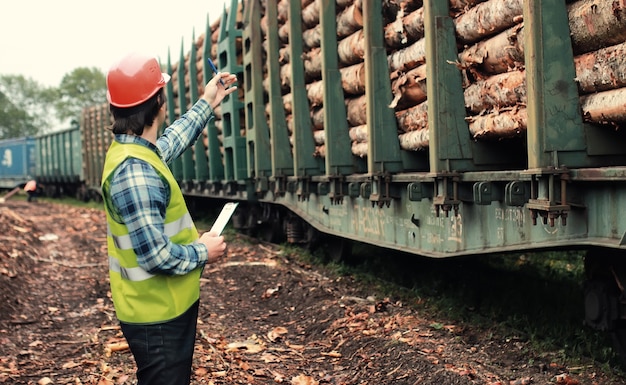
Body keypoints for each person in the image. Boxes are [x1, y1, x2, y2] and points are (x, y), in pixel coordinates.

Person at [100, 52, 237, 385]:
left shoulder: (135, 152)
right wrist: (204, 250)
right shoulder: (135, 171)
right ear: (159, 103)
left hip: (159, 308)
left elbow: (170, 141)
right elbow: (156, 256)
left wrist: (208, 100)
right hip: (156, 315)